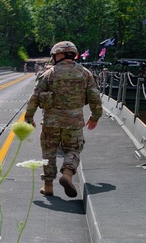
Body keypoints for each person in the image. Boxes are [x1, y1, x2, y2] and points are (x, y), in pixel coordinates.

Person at [24, 40, 102, 198]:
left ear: (59, 54)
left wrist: (29, 116)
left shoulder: (48, 74)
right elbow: (95, 97)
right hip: (74, 122)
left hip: (50, 122)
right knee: (73, 149)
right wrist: (95, 117)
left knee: (49, 152)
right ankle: (67, 173)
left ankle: (48, 186)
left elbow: (35, 97)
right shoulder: (85, 73)